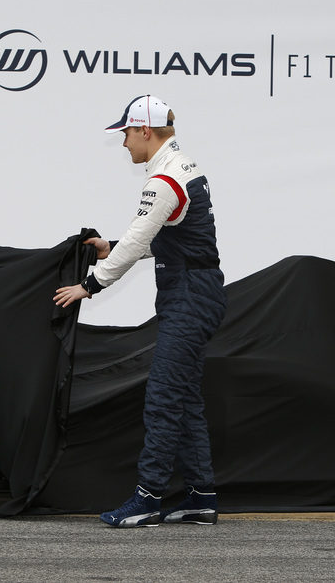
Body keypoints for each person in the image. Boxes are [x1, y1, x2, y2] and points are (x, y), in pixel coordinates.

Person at [54, 95, 227, 528]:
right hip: (196, 291)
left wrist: (89, 285)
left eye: (127, 134)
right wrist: (110, 247)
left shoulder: (163, 179)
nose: (124, 143)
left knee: (164, 398)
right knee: (184, 399)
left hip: (188, 295)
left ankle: (148, 499)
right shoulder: (184, 166)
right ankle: (201, 498)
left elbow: (138, 242)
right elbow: (169, 238)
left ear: (145, 131)